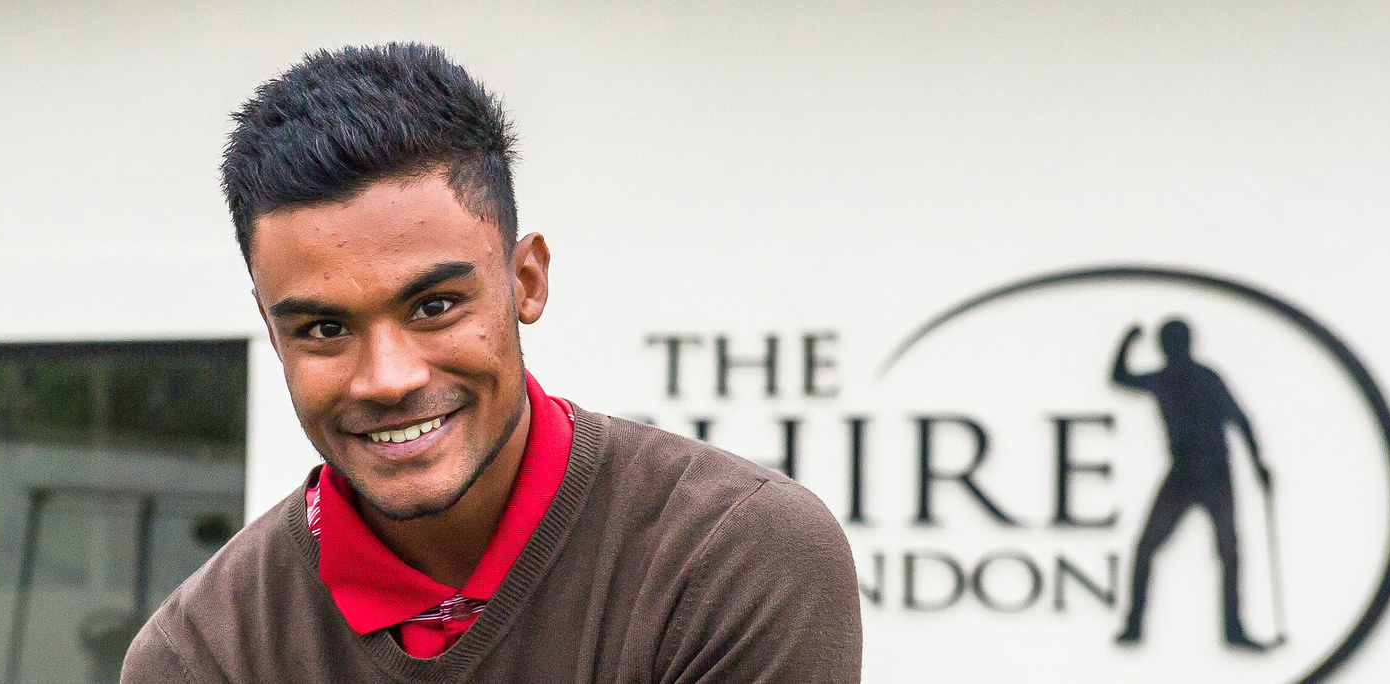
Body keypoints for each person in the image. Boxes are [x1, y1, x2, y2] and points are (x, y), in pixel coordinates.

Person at [121, 43, 861, 683]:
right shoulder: (201, 656)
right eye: (324, 328)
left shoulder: (730, 555)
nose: (389, 378)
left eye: (435, 306)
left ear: (526, 280)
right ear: (271, 329)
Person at [1110, 318, 1272, 651]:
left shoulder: (1202, 378)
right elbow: (1120, 378)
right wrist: (1126, 341)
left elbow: (1238, 418)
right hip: (1186, 473)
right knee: (1153, 548)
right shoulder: (1168, 378)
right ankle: (1136, 626)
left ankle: (1232, 630)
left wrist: (1258, 464)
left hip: (1212, 473)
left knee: (1227, 551)